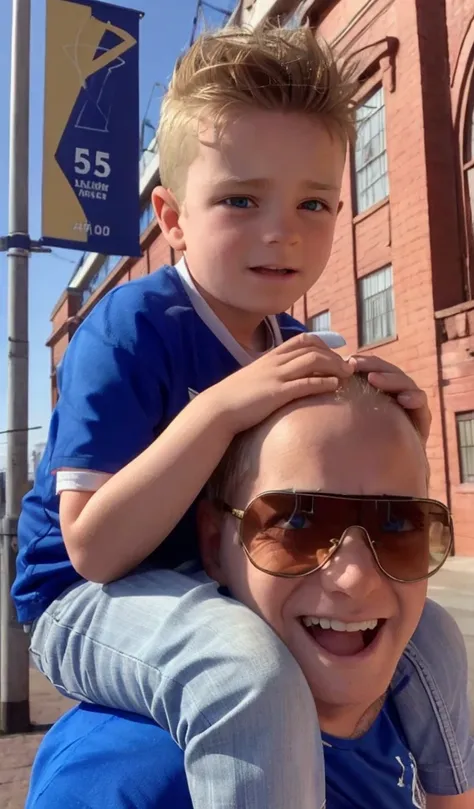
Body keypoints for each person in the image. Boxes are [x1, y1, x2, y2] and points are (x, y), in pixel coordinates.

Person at [12, 23, 469, 809]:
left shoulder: (288, 342)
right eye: (240, 198)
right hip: (82, 605)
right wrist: (221, 410)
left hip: (205, 578)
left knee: (432, 637)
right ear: (173, 215)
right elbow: (88, 548)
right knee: (241, 670)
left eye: (315, 201)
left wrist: (400, 429)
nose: (282, 229)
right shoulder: (130, 329)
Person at [25, 377, 474, 808]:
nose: (355, 577)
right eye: (296, 521)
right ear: (214, 544)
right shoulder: (126, 782)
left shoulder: (420, 715)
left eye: (398, 524)